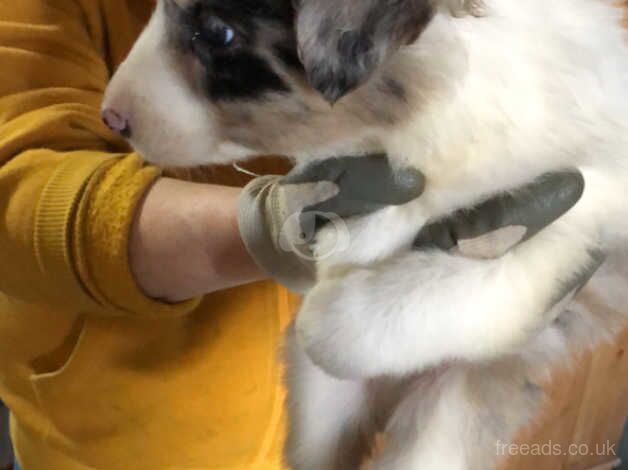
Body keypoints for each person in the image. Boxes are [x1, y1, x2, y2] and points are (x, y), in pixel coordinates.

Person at [0, 1, 588, 469]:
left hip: (348, 419)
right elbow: (15, 197)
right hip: (127, 447)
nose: (120, 105)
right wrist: (265, 232)